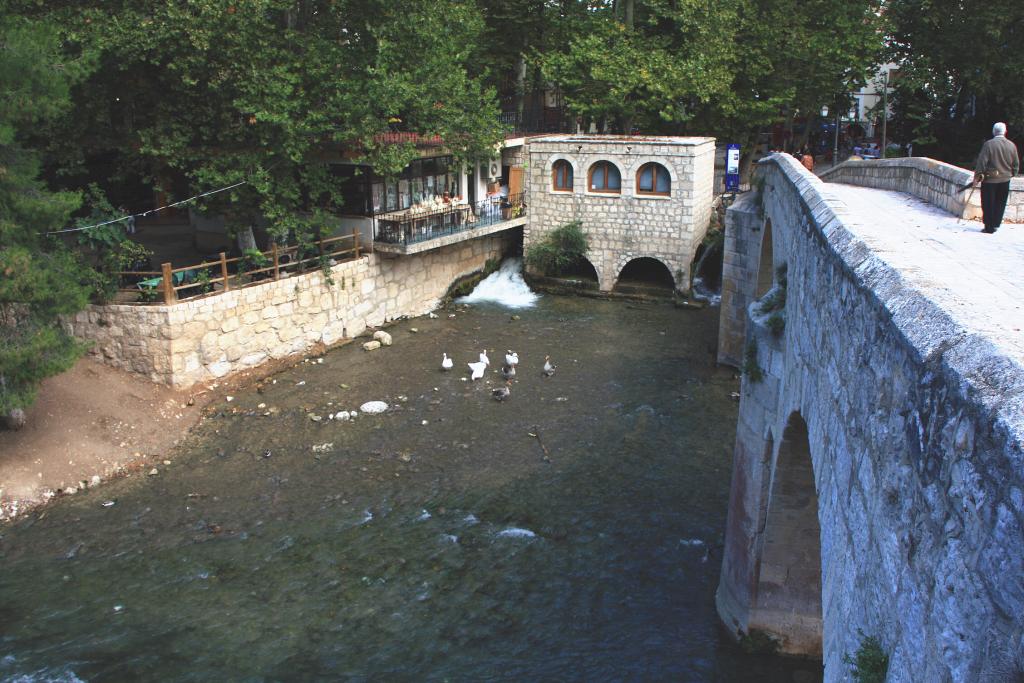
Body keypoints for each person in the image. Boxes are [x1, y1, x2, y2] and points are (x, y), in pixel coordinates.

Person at [975, 122, 1020, 233]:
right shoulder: (1011, 145)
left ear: (994, 131)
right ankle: (995, 223)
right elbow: (1016, 163)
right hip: (1005, 179)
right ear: (1005, 132)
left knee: (988, 202)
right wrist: (1012, 174)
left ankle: (989, 226)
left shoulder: (989, 144)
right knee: (1000, 202)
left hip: (990, 179)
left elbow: (982, 162)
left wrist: (977, 176)